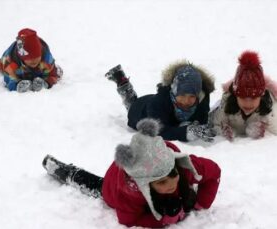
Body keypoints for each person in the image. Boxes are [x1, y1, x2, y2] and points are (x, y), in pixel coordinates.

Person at [42, 118, 221, 228]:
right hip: (113, 186)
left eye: (172, 175)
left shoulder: (183, 166)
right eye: (161, 182)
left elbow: (214, 172)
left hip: (141, 165)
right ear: (145, 184)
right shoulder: (130, 192)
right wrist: (163, 220)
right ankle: (63, 171)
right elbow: (128, 220)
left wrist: (201, 203)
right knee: (96, 185)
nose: (171, 184)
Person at [104, 61, 216, 142]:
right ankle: (122, 83)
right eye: (182, 95)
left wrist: (195, 126)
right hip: (140, 111)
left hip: (158, 106)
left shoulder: (202, 98)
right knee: (131, 103)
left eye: (192, 96)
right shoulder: (158, 103)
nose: (187, 101)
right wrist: (186, 132)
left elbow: (202, 120)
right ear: (174, 90)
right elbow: (159, 132)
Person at [209, 51, 277, 141]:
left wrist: (265, 131)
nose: (248, 103)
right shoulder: (226, 103)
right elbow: (213, 123)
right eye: (243, 97)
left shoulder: (270, 108)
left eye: (253, 97)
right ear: (235, 94)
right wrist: (225, 130)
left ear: (261, 95)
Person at [0, 28, 62, 92]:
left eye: (36, 57)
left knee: (56, 71)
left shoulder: (46, 59)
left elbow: (53, 75)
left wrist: (46, 83)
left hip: (39, 68)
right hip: (15, 67)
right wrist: (17, 85)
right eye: (29, 59)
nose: (34, 61)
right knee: (1, 66)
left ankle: (55, 69)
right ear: (22, 57)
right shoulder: (10, 62)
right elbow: (9, 80)